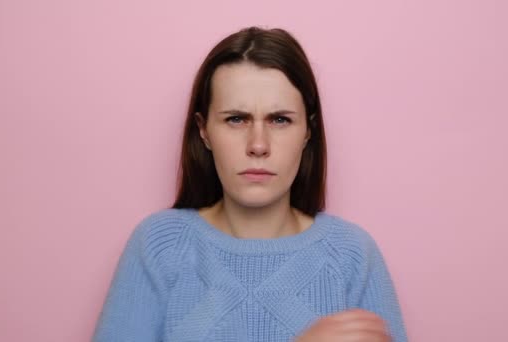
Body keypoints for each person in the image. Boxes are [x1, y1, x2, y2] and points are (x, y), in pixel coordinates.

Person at [92, 26, 408, 342]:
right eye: (236, 119)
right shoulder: (159, 247)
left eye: (280, 120)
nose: (258, 145)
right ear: (204, 130)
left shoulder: (352, 255)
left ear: (308, 132)